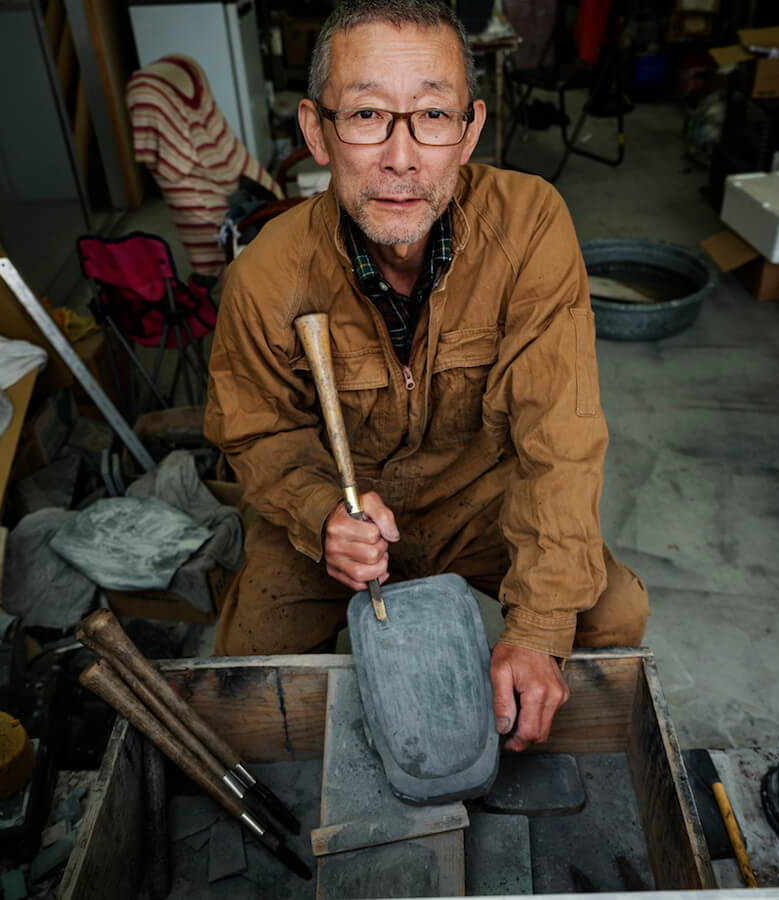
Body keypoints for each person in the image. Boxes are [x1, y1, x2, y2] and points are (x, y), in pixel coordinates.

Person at [204, 0, 648, 752]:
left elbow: (560, 437)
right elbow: (256, 431)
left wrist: (539, 628)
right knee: (244, 674)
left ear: (470, 130)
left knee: (610, 615)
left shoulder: (531, 224)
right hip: (344, 514)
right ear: (316, 130)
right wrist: (320, 515)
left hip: (478, 501)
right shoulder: (266, 275)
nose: (403, 158)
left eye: (433, 116)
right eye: (368, 114)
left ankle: (549, 758)